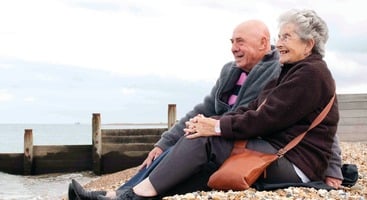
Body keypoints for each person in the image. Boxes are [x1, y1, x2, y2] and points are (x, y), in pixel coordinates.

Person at [69, 15, 342, 200]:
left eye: (287, 37)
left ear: (309, 43)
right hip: (264, 148)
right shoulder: (275, 71)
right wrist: (169, 140)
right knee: (187, 146)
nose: (279, 43)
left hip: (288, 160)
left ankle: (128, 195)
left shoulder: (305, 74)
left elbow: (301, 123)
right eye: (232, 41)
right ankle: (123, 194)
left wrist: (334, 169)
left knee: (201, 142)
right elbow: (231, 109)